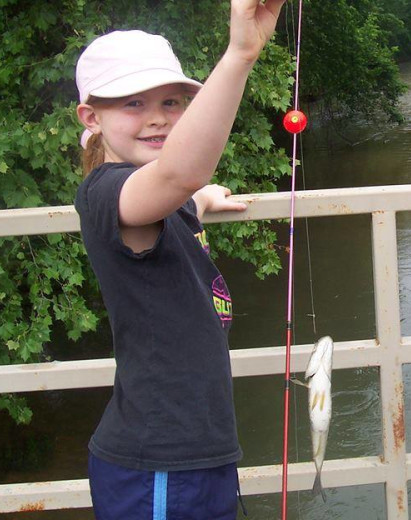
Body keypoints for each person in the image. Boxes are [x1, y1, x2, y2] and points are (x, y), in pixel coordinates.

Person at [73, 1, 285, 518]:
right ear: (90, 118)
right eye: (132, 104)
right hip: (158, 466)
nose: (156, 118)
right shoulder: (105, 193)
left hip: (197, 455)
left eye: (172, 102)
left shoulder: (163, 204)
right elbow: (174, 177)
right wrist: (240, 54)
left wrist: (203, 200)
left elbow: (178, 193)